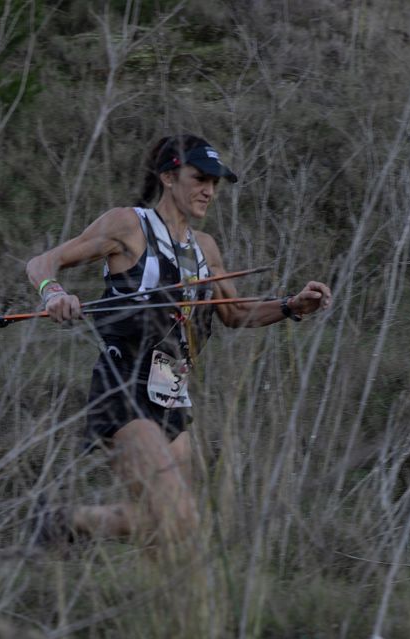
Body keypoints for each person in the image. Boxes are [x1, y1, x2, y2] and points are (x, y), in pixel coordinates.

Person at [25, 134, 331, 547]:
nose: (208, 190)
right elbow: (42, 262)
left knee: (168, 535)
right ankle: (65, 521)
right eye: (199, 178)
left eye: (215, 182)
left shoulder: (206, 248)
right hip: (123, 386)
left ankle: (67, 527)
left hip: (173, 393)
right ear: (169, 177)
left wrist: (293, 306)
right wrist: (54, 293)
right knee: (181, 518)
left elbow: (236, 314)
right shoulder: (129, 225)